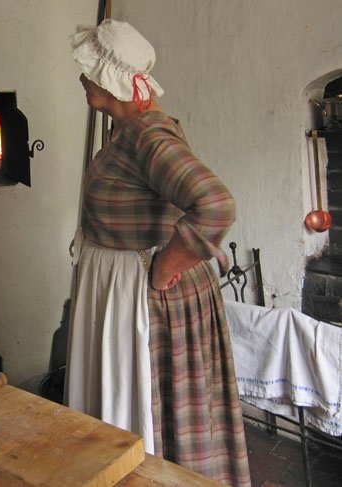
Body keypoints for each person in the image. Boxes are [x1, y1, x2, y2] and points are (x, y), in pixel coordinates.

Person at [64, 19, 251, 487]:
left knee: (151, 411)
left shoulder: (146, 135)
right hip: (124, 289)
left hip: (145, 299)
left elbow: (216, 204)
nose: (82, 77)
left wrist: (166, 266)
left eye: (89, 70)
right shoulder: (130, 130)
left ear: (111, 79)